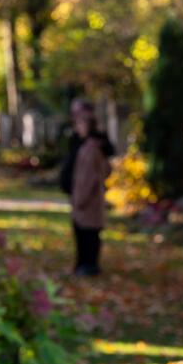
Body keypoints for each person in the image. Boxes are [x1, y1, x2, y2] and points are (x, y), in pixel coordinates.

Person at [70, 111, 111, 276]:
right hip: (88, 200)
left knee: (88, 236)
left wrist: (80, 199)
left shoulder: (91, 149)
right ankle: (86, 265)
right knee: (88, 234)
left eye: (80, 125)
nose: (77, 128)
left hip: (87, 201)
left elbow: (89, 178)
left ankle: (88, 266)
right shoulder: (92, 147)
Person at [59, 99, 114, 195]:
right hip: (77, 184)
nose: (77, 123)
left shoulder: (97, 139)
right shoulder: (76, 137)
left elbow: (108, 154)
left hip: (89, 186)